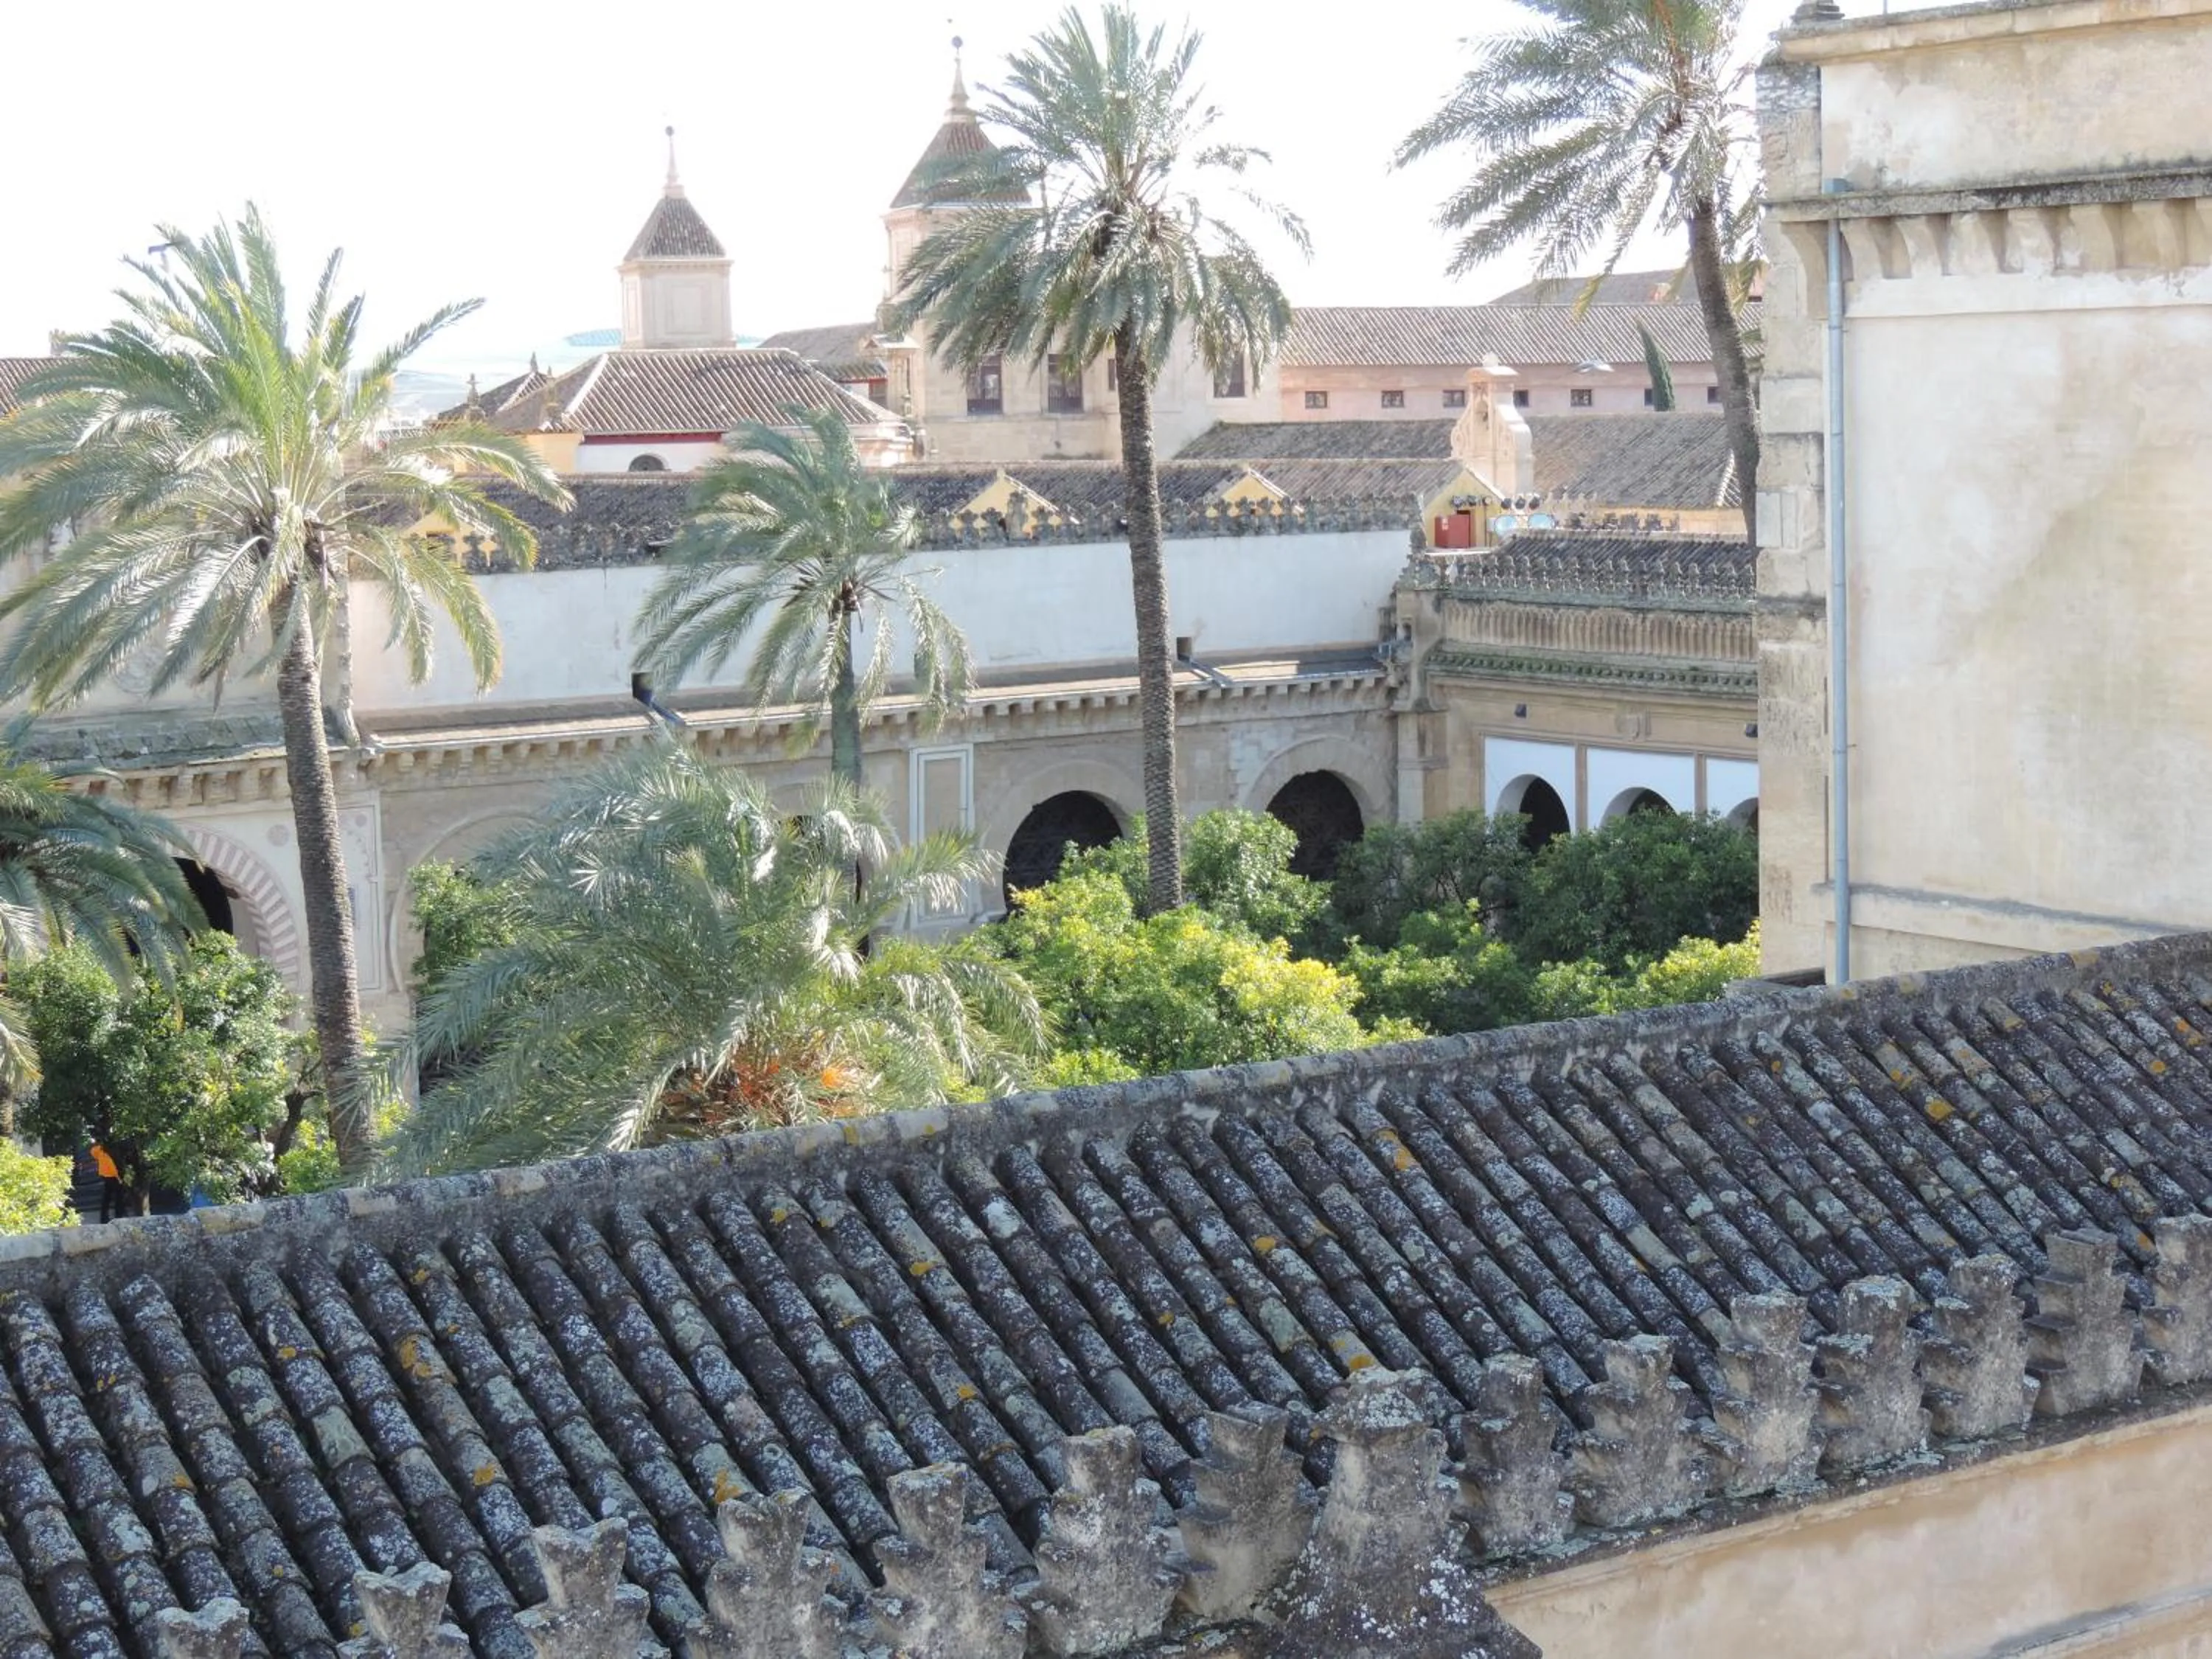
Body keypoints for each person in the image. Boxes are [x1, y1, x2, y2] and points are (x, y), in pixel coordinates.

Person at [89, 1141, 120, 1223]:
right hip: (112, 1176)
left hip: (105, 1175)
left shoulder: (99, 1151)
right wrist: (119, 1178)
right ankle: (118, 1216)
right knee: (118, 1197)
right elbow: (113, 1167)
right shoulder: (106, 1153)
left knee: (107, 1197)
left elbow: (93, 1152)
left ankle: (104, 1218)